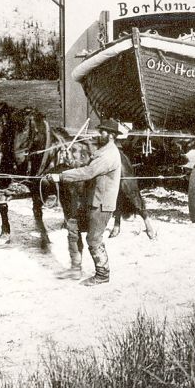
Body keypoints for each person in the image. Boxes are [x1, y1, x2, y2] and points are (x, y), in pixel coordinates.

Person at [44, 119, 124, 286]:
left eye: (102, 132)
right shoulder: (102, 151)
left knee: (94, 239)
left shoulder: (110, 154)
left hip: (102, 204)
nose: (98, 134)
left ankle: (102, 275)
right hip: (91, 201)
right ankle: (75, 269)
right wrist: (70, 162)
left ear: (111, 135)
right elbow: (87, 166)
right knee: (72, 227)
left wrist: (61, 176)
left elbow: (89, 172)